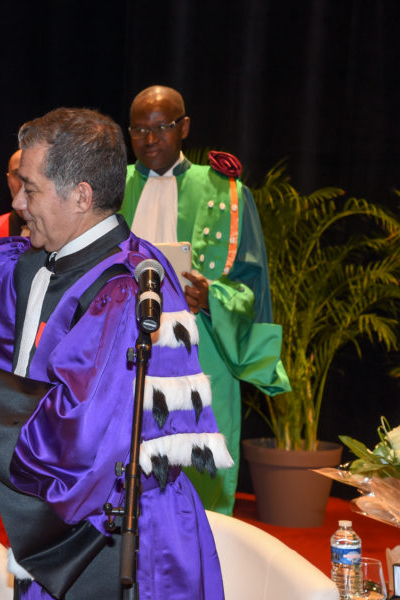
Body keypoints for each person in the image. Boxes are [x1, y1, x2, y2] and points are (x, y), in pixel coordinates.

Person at [0, 107, 228, 598]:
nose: (16, 202)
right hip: (75, 532)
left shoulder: (126, 287)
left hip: (124, 544)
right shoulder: (43, 264)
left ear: (81, 195)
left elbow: (78, 437)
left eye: (31, 189)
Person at [120, 85, 290, 515]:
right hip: (125, 354)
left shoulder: (224, 192)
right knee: (125, 487)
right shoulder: (109, 187)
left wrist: (212, 297)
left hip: (204, 353)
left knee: (200, 496)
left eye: (161, 126)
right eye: (140, 129)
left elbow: (253, 287)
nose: (150, 138)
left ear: (185, 128)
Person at [0, 149, 29, 240]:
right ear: (8, 181)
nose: (22, 181)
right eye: (17, 174)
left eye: (29, 173)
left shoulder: (62, 228)